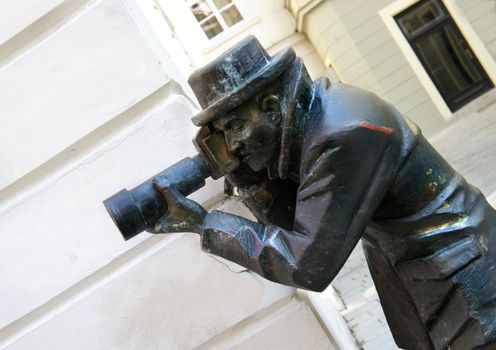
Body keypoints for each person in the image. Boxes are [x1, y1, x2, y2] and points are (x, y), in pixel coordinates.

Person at [149, 36, 496, 350]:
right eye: (225, 133)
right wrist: (246, 175)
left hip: (467, 274)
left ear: (272, 107)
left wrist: (203, 223)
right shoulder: (315, 121)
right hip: (427, 277)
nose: (234, 143)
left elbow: (305, 262)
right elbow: (290, 223)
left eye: (237, 126)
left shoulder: (344, 132)